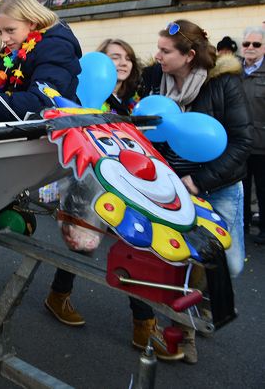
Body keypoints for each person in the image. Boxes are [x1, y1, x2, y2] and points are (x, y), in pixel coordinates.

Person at [41, 39, 188, 359]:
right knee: (81, 247)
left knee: (136, 250)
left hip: (130, 189)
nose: (120, 63)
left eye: (126, 58)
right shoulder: (84, 100)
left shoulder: (139, 103)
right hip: (88, 187)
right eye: (112, 58)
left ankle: (144, 325)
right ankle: (58, 296)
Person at [140, 19, 252, 363]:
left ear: (189, 55)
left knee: (229, 265)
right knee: (181, 259)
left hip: (218, 187)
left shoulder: (223, 85)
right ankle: (183, 332)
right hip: (171, 188)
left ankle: (200, 302)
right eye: (158, 48)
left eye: (165, 51)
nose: (157, 56)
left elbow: (242, 143)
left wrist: (200, 182)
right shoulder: (152, 82)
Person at [239, 26, 265, 244]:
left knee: (264, 189)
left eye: (256, 44)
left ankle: (264, 230)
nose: (250, 48)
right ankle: (243, 225)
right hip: (238, 143)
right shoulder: (232, 71)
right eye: (246, 44)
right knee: (241, 187)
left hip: (262, 143)